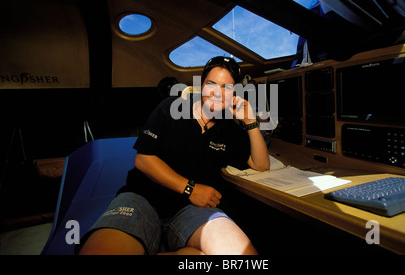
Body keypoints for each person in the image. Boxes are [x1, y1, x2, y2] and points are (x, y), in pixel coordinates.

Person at [77, 56, 270, 255]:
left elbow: (261, 164)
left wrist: (250, 121)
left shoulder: (229, 130)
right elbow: (144, 159)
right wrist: (191, 189)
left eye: (227, 88)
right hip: (143, 197)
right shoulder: (171, 107)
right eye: (211, 84)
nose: (217, 93)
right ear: (202, 85)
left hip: (191, 209)